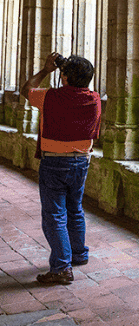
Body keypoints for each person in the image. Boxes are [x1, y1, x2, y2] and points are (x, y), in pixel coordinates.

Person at [22, 53, 102, 285]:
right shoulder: (94, 98)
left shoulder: (50, 97)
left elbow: (25, 90)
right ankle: (78, 254)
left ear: (64, 77)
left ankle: (61, 267)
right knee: (75, 208)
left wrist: (47, 70)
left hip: (55, 162)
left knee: (54, 214)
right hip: (81, 161)